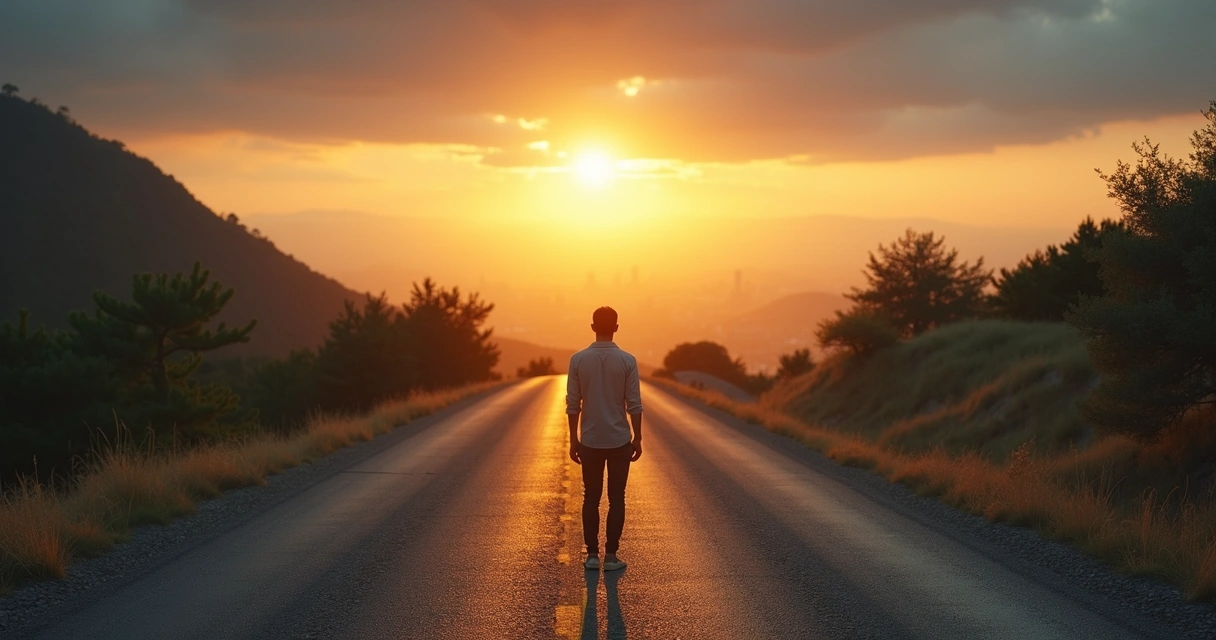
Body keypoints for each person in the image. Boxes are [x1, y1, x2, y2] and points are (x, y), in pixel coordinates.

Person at [567, 306, 643, 572]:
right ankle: (611, 556)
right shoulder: (627, 360)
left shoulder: (577, 360)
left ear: (592, 327)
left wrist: (573, 440)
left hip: (589, 439)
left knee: (591, 497)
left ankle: (591, 556)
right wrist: (638, 437)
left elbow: (572, 404)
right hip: (619, 438)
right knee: (617, 497)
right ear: (616, 327)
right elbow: (634, 404)